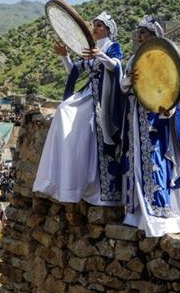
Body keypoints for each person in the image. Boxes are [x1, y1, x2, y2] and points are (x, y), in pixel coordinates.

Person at [34, 12, 125, 206]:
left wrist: (100, 55)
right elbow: (75, 70)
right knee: (64, 110)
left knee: (89, 128)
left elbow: (116, 66)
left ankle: (101, 188)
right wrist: (64, 56)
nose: (96, 28)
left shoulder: (112, 47)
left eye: (100, 25)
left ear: (108, 30)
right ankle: (71, 181)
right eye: (95, 24)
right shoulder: (91, 48)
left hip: (103, 96)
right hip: (88, 93)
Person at [119, 15, 180, 237]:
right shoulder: (133, 60)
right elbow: (123, 89)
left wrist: (167, 109)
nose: (140, 36)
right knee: (135, 161)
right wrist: (128, 82)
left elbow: (171, 89)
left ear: (154, 36)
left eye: (144, 33)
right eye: (139, 33)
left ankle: (159, 214)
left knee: (155, 159)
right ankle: (137, 214)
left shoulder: (164, 58)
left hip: (155, 118)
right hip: (135, 117)